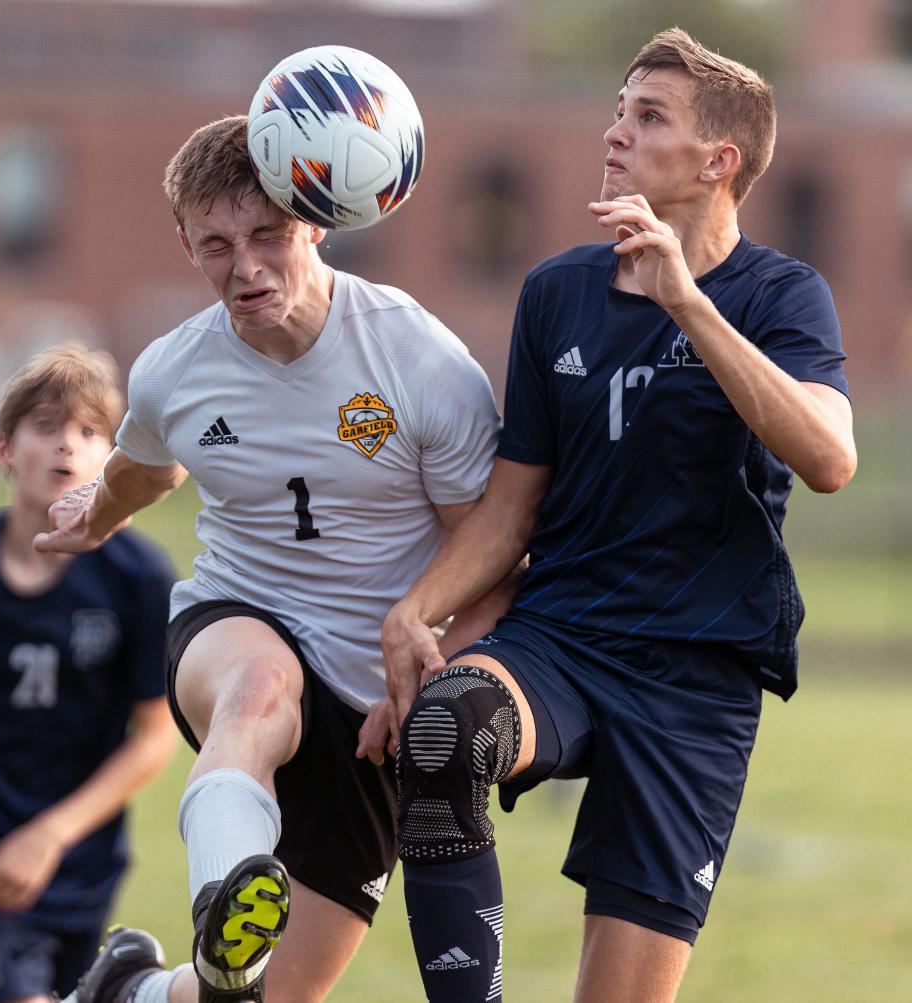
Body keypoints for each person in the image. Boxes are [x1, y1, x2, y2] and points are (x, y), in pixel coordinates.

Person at [382, 27, 857, 1003]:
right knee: (444, 730)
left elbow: (830, 459)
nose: (615, 132)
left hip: (697, 675)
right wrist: (414, 608)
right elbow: (512, 507)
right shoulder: (558, 292)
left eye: (648, 117)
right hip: (561, 639)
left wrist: (688, 304)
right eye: (617, 109)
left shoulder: (782, 296)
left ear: (718, 160)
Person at [36, 115, 508, 1003]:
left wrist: (430, 685)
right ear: (186, 245)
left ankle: (128, 988)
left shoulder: (416, 358)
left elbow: (486, 552)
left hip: (372, 696)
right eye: (216, 245)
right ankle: (227, 889)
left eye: (267, 235)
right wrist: (88, 517)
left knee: (254, 999)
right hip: (235, 619)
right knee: (260, 689)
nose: (244, 268)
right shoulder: (175, 371)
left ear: (317, 220)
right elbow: (144, 470)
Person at [0, 345, 177, 1003]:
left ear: (112, 456)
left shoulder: (137, 578)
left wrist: (51, 833)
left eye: (88, 431)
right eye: (46, 427)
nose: (66, 447)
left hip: (78, 865)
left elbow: (154, 736)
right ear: (4, 449)